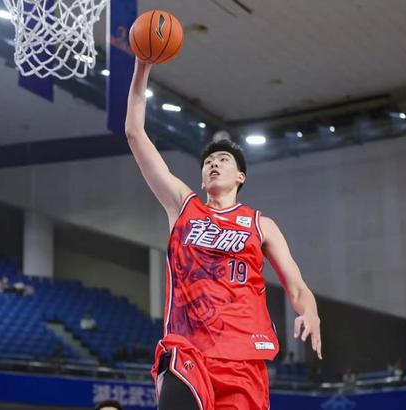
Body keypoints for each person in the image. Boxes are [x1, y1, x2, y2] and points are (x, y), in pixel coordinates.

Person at [125, 60, 322, 410]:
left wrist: (311, 312)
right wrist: (142, 67)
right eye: (208, 162)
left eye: (223, 160)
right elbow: (135, 134)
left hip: (243, 358)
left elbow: (297, 288)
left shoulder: (261, 224)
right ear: (202, 179)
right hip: (188, 349)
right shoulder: (183, 206)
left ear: (240, 177)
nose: (214, 163)